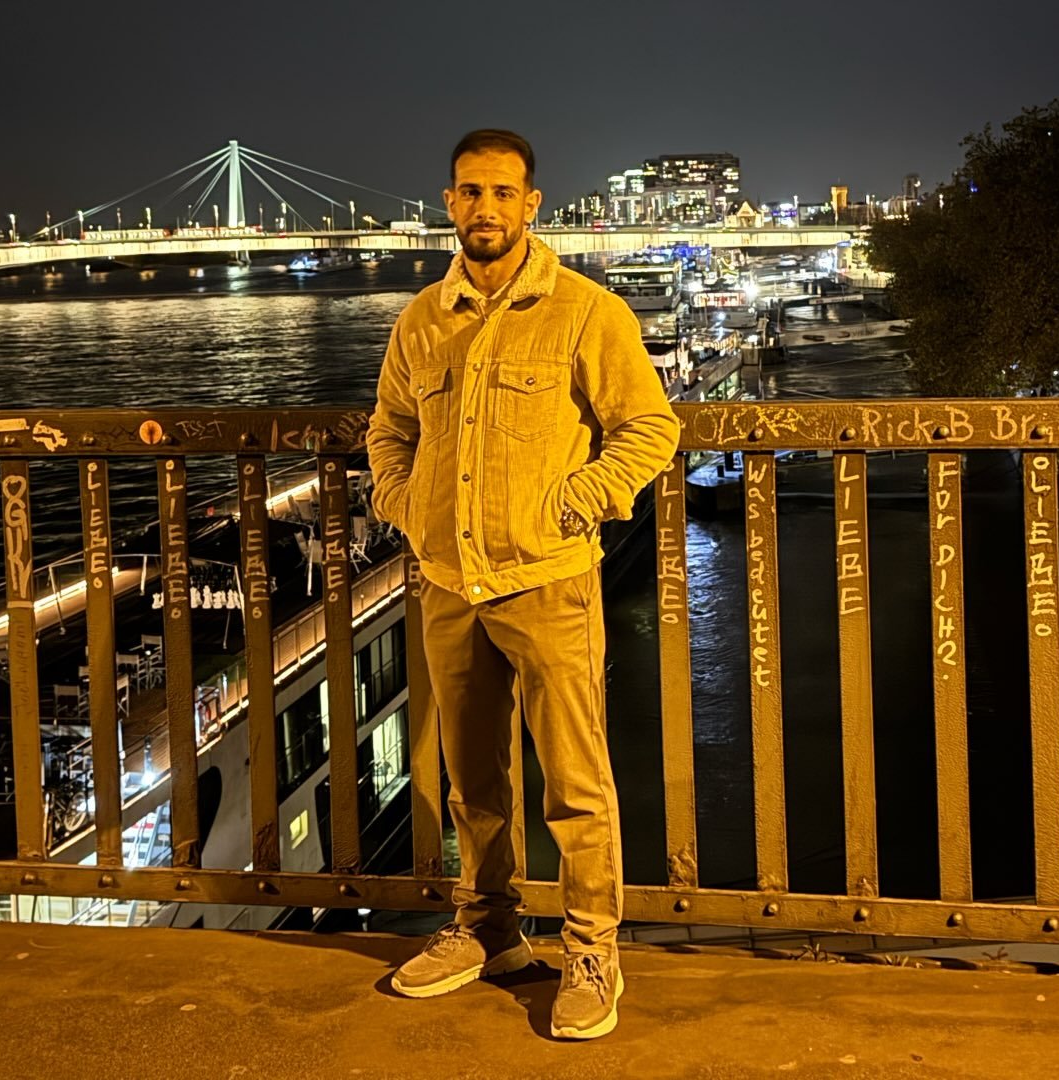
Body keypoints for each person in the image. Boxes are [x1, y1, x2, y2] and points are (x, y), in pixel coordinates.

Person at [366, 129, 679, 1040]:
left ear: (532, 205)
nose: (486, 208)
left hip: (548, 579)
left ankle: (591, 949)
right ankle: (487, 931)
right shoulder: (422, 320)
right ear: (450, 202)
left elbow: (650, 428)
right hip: (448, 580)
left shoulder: (584, 311)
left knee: (575, 782)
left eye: (504, 193)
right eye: (471, 192)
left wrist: (576, 500)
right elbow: (389, 429)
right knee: (472, 779)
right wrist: (407, 503)